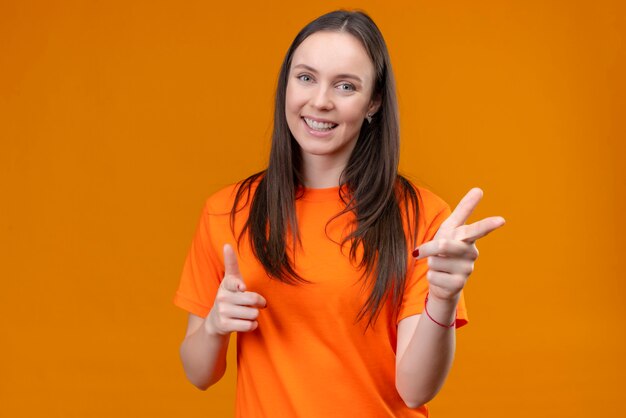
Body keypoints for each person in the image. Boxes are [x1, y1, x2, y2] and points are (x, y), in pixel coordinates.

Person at [173, 9, 505, 418]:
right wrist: (213, 326)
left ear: (374, 102)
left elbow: (415, 390)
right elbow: (198, 373)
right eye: (306, 77)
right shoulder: (227, 211)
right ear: (286, 85)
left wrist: (443, 297)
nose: (320, 101)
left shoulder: (424, 217)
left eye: (345, 86)